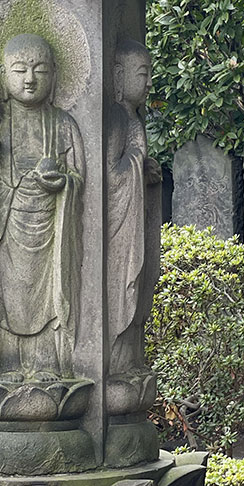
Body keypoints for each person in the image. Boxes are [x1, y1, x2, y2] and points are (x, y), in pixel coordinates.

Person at [0, 33, 84, 378]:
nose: (30, 79)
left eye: (39, 70)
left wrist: (64, 183)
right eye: (20, 70)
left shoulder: (63, 125)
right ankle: (7, 364)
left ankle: (47, 364)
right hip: (5, 229)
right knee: (3, 299)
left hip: (49, 233)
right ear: (4, 76)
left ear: (54, 75)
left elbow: (79, 176)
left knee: (48, 298)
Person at [107, 39, 161, 374]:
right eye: (143, 74)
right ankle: (117, 358)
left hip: (133, 222)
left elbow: (129, 167)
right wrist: (139, 162)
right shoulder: (116, 120)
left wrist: (146, 171)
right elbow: (112, 177)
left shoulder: (132, 120)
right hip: (118, 230)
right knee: (122, 291)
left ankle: (128, 359)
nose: (149, 83)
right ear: (118, 76)